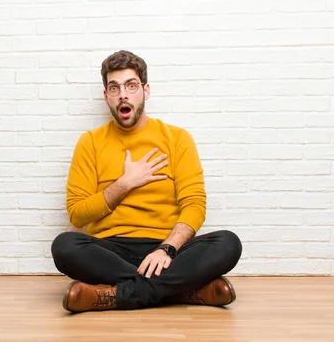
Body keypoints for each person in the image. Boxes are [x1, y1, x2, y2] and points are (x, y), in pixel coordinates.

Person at [51, 50, 243, 313]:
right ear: (106, 97)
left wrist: (167, 249)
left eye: (131, 86)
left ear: (146, 90)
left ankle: (112, 296)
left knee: (228, 243)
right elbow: (77, 214)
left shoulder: (177, 139)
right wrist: (124, 184)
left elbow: (195, 205)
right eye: (114, 88)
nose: (123, 94)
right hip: (113, 250)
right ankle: (183, 290)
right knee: (64, 246)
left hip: (167, 249)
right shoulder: (90, 143)